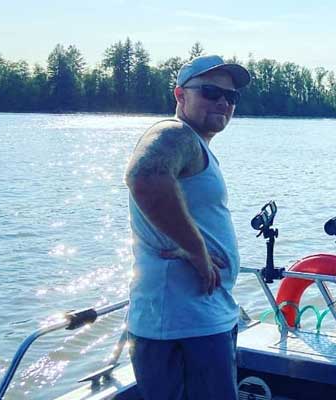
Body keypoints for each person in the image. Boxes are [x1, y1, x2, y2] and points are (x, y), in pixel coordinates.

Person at [124, 54, 250, 399]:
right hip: (182, 324)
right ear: (180, 95)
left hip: (200, 316)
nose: (223, 101)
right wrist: (197, 251)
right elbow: (145, 177)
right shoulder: (174, 132)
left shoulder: (193, 142)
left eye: (231, 97)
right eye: (210, 92)